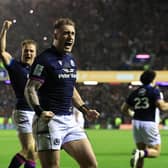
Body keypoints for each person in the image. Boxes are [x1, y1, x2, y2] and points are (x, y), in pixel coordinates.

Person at [24, 17, 100, 168]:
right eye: (65, 33)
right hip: (49, 122)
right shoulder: (44, 60)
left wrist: (85, 110)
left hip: (69, 121)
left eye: (72, 34)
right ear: (56, 36)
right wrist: (40, 111)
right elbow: (30, 88)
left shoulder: (70, 60)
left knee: (91, 164)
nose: (70, 37)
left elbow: (70, 88)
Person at [0, 20, 37, 168]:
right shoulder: (15, 66)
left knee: (34, 152)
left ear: (35, 53)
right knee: (27, 148)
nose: (28, 53)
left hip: (36, 113)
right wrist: (4, 29)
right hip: (23, 111)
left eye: (31, 50)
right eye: (26, 50)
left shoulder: (39, 70)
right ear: (22, 52)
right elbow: (2, 51)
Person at [121, 70, 168, 168]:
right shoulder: (154, 91)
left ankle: (139, 154)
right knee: (155, 151)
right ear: (153, 80)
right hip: (149, 123)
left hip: (136, 123)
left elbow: (123, 109)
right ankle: (140, 153)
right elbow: (162, 107)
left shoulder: (135, 92)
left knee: (141, 152)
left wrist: (133, 114)